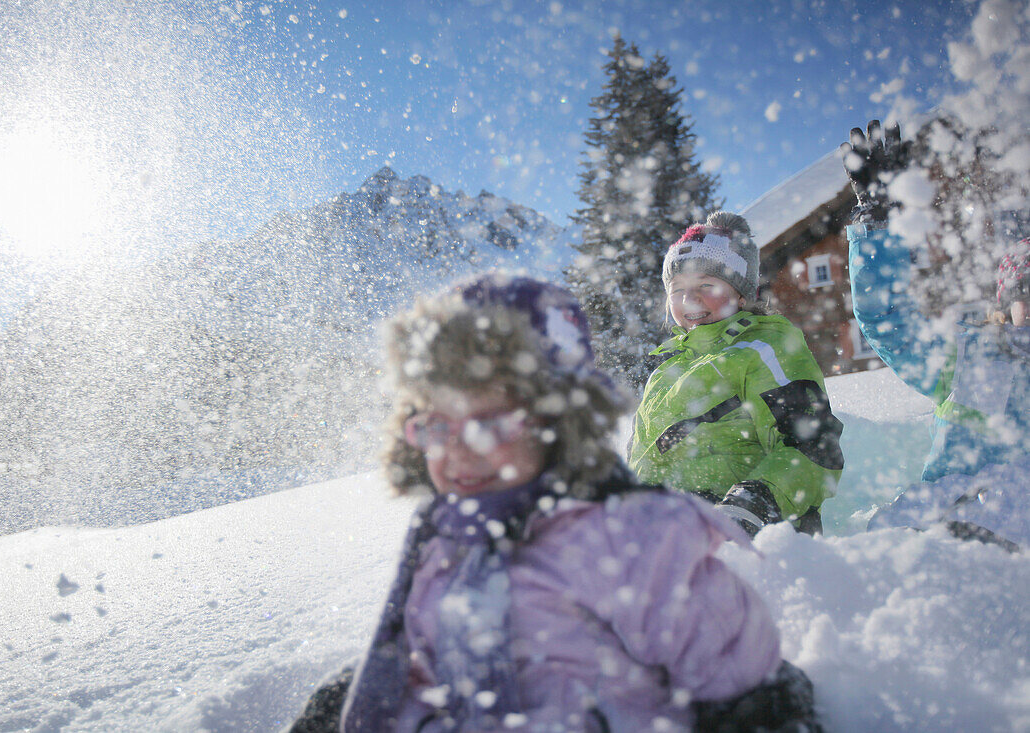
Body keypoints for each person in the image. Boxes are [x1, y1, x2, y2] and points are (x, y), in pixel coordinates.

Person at [289, 273, 820, 732]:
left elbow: (740, 672)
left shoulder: (632, 543)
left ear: (557, 426)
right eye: (436, 424)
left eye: (491, 422)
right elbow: (425, 656)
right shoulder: (440, 538)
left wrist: (764, 713)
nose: (459, 450)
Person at [841, 120, 1030, 547]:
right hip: (930, 532)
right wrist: (877, 222)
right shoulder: (969, 355)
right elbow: (886, 318)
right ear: (1005, 304)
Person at [627, 211, 844, 538]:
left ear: (742, 294)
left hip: (751, 533)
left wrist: (754, 502)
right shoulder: (665, 372)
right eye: (677, 288)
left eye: (706, 284)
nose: (689, 299)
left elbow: (812, 446)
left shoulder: (765, 349)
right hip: (665, 532)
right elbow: (642, 460)